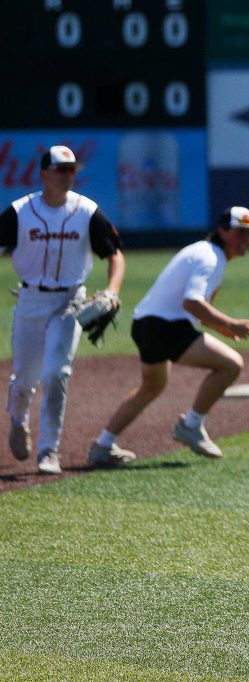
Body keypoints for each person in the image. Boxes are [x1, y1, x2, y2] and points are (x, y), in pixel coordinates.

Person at [87, 207, 249, 466]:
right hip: (165, 327)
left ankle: (103, 445)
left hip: (145, 325)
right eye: (241, 233)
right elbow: (192, 303)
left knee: (151, 387)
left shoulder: (204, 252)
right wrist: (231, 323)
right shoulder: (211, 257)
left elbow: (198, 309)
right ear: (223, 231)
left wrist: (222, 328)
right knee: (231, 365)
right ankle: (191, 425)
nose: (246, 240)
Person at [0, 145, 126, 474]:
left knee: (57, 373)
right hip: (31, 300)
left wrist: (112, 291)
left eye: (72, 169)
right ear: (43, 174)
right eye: (61, 169)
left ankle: (48, 450)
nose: (69, 175)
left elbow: (114, 253)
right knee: (25, 378)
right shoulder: (20, 212)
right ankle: (18, 418)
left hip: (70, 302)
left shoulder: (86, 211)